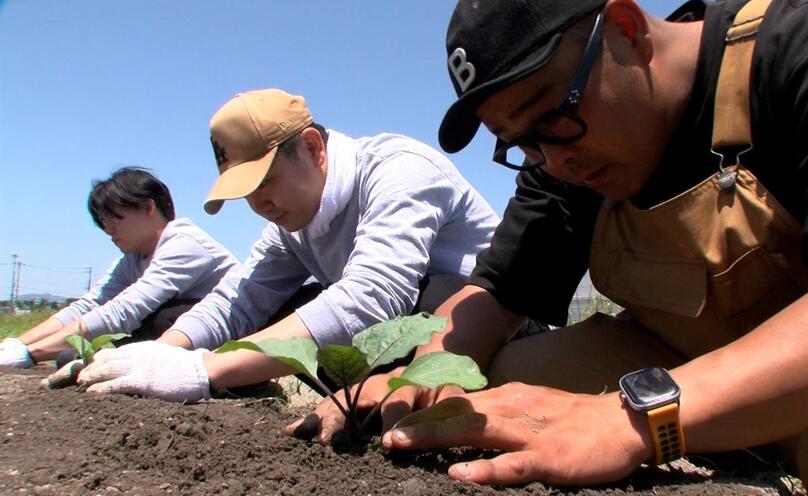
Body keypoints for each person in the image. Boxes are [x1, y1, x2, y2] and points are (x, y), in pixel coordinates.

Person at [301, 1, 808, 496]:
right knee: (508, 374)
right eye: (521, 143)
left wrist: (630, 421)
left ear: (627, 28)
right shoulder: (563, 158)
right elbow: (496, 291)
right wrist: (417, 376)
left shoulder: (802, 48)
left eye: (553, 118)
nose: (553, 160)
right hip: (687, 365)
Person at [75, 88, 501, 404]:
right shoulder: (290, 225)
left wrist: (205, 369)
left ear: (312, 147)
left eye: (264, 182)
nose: (258, 204)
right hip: (404, 338)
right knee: (258, 310)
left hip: (495, 328)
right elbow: (237, 301)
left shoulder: (400, 168)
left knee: (437, 298)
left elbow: (373, 296)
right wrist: (162, 354)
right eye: (246, 192)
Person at [0, 167, 240, 368]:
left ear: (148, 207)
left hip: (230, 333)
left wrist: (31, 355)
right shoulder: (133, 258)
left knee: (165, 319)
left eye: (114, 219)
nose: (109, 231)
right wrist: (18, 344)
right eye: (103, 223)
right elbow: (90, 305)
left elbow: (125, 310)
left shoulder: (185, 244)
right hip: (179, 335)